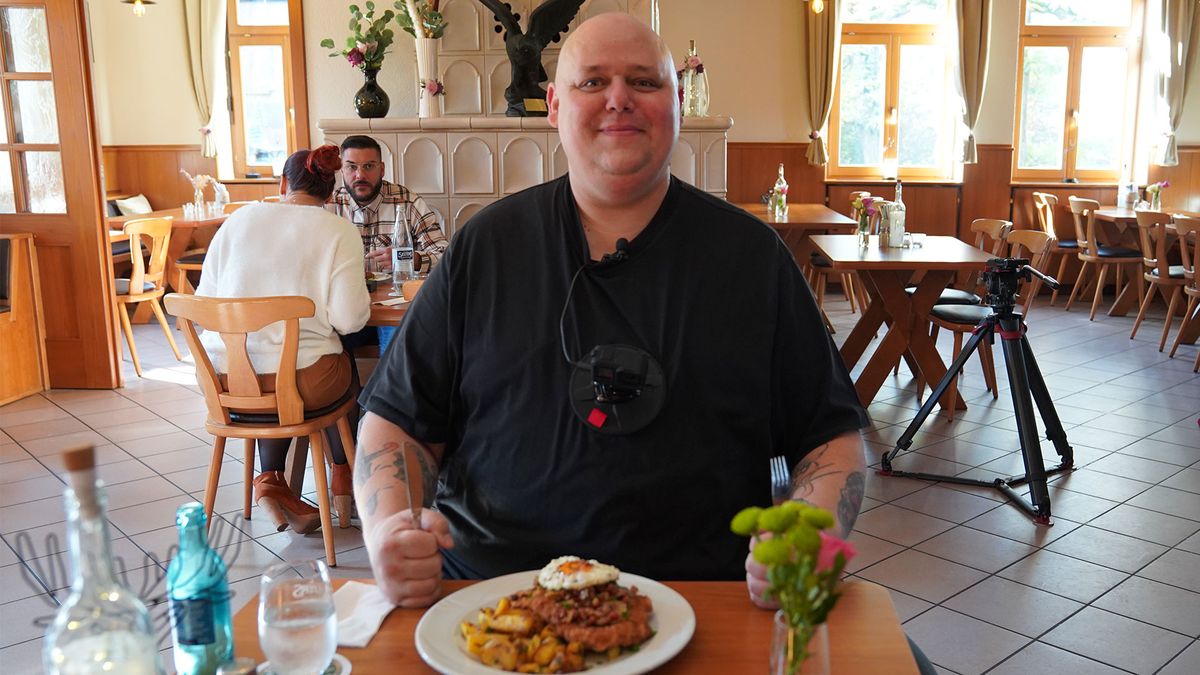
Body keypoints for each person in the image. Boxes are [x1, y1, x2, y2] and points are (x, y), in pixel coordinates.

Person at [354, 14, 868, 610]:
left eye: (644, 82)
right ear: (553, 106)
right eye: (592, 82)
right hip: (491, 601)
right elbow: (397, 420)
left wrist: (811, 535)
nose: (619, 99)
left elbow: (832, 438)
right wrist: (388, 528)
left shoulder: (752, 258)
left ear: (678, 100)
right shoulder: (486, 246)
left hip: (702, 604)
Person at [194, 145, 370, 534]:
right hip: (301, 388)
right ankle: (343, 475)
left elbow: (202, 300)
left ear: (283, 183)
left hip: (223, 385)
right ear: (331, 191)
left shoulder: (237, 220)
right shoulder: (338, 230)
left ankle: (270, 478)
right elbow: (351, 319)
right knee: (343, 357)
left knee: (283, 362)